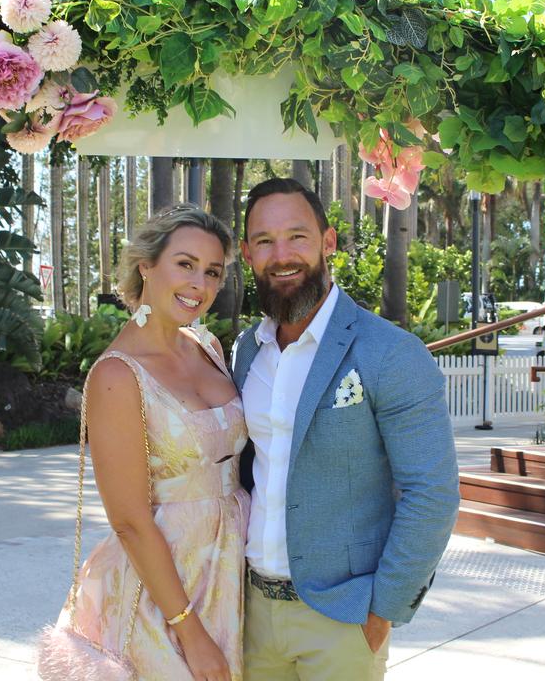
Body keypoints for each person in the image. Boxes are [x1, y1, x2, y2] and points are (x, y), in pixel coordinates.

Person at [232, 178, 460, 681]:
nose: (282, 254)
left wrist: (383, 610)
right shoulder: (247, 351)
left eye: (298, 236)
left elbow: (432, 492)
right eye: (265, 241)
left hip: (343, 621)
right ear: (248, 253)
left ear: (328, 242)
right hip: (248, 613)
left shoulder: (390, 352)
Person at [44, 205, 249, 681]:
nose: (199, 283)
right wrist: (190, 633)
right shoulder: (117, 375)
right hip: (163, 592)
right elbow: (130, 520)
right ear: (146, 265)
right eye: (185, 264)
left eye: (212, 271)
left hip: (229, 567)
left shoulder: (208, 347)